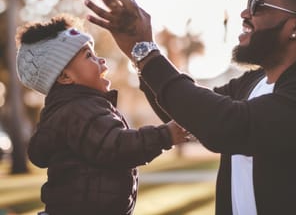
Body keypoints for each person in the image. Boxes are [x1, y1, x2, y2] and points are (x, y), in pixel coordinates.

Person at [85, 0, 296, 215]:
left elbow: (225, 125)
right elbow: (191, 115)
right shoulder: (253, 83)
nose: (245, 14)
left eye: (258, 6)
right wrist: (137, 52)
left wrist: (148, 54)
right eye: (249, 2)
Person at [15, 14, 189, 215]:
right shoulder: (79, 112)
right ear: (64, 76)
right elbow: (117, 146)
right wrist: (164, 136)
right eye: (88, 56)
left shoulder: (82, 107)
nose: (101, 59)